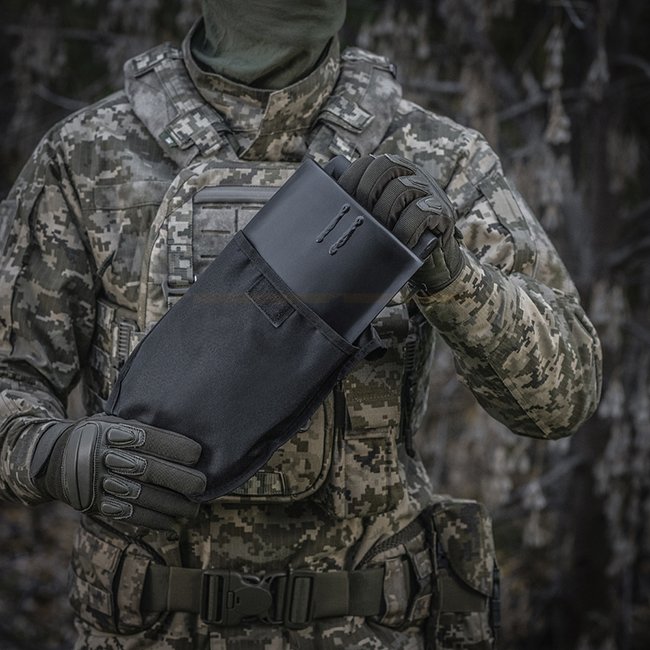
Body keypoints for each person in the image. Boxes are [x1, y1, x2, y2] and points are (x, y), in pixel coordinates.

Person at [0, 1, 602, 648]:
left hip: (371, 626)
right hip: (152, 628)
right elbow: (11, 376)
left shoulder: (434, 155)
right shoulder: (88, 156)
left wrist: (454, 277)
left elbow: (564, 396)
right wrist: (53, 454)